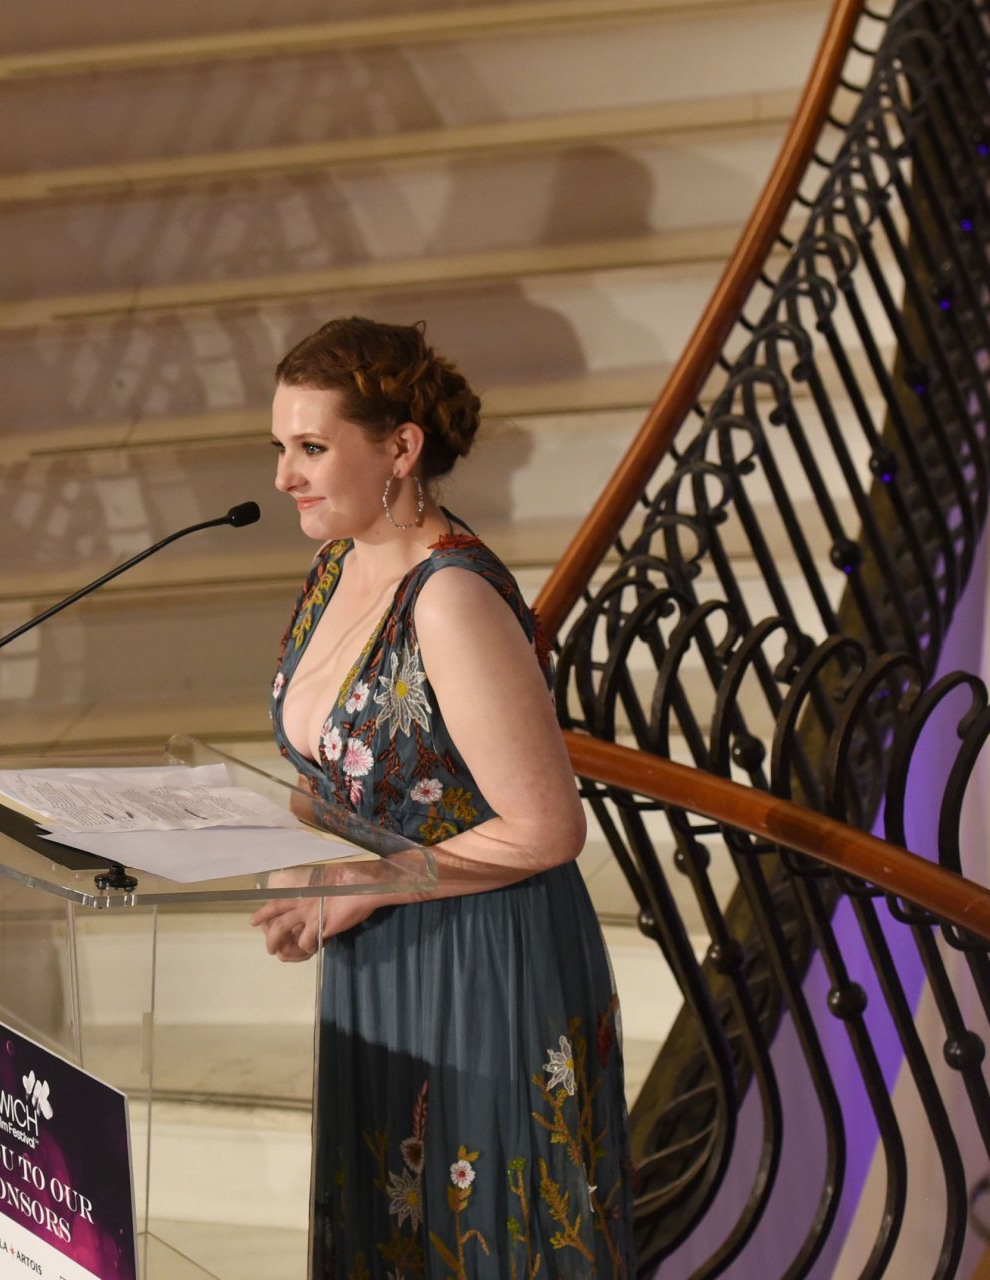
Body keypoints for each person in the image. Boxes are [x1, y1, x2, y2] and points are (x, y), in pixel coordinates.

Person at [252, 317, 633, 1278]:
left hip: (484, 961)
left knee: (484, 1243)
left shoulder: (450, 597)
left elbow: (548, 830)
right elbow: (352, 775)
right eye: (280, 448)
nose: (285, 476)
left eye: (311, 448)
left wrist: (367, 884)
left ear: (401, 448)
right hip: (384, 951)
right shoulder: (337, 565)